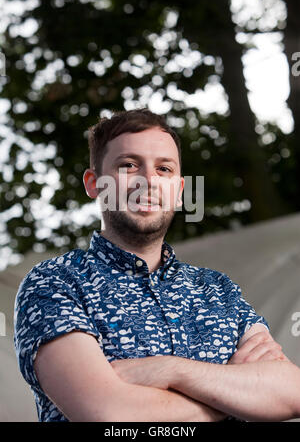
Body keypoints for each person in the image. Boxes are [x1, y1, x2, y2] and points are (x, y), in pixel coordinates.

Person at [14, 108, 300, 422]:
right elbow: (109, 414)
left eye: (164, 169)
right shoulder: (55, 282)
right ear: (94, 183)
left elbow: (291, 392)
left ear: (178, 192)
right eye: (128, 165)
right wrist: (235, 392)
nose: (148, 181)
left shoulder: (219, 290)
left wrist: (168, 370)